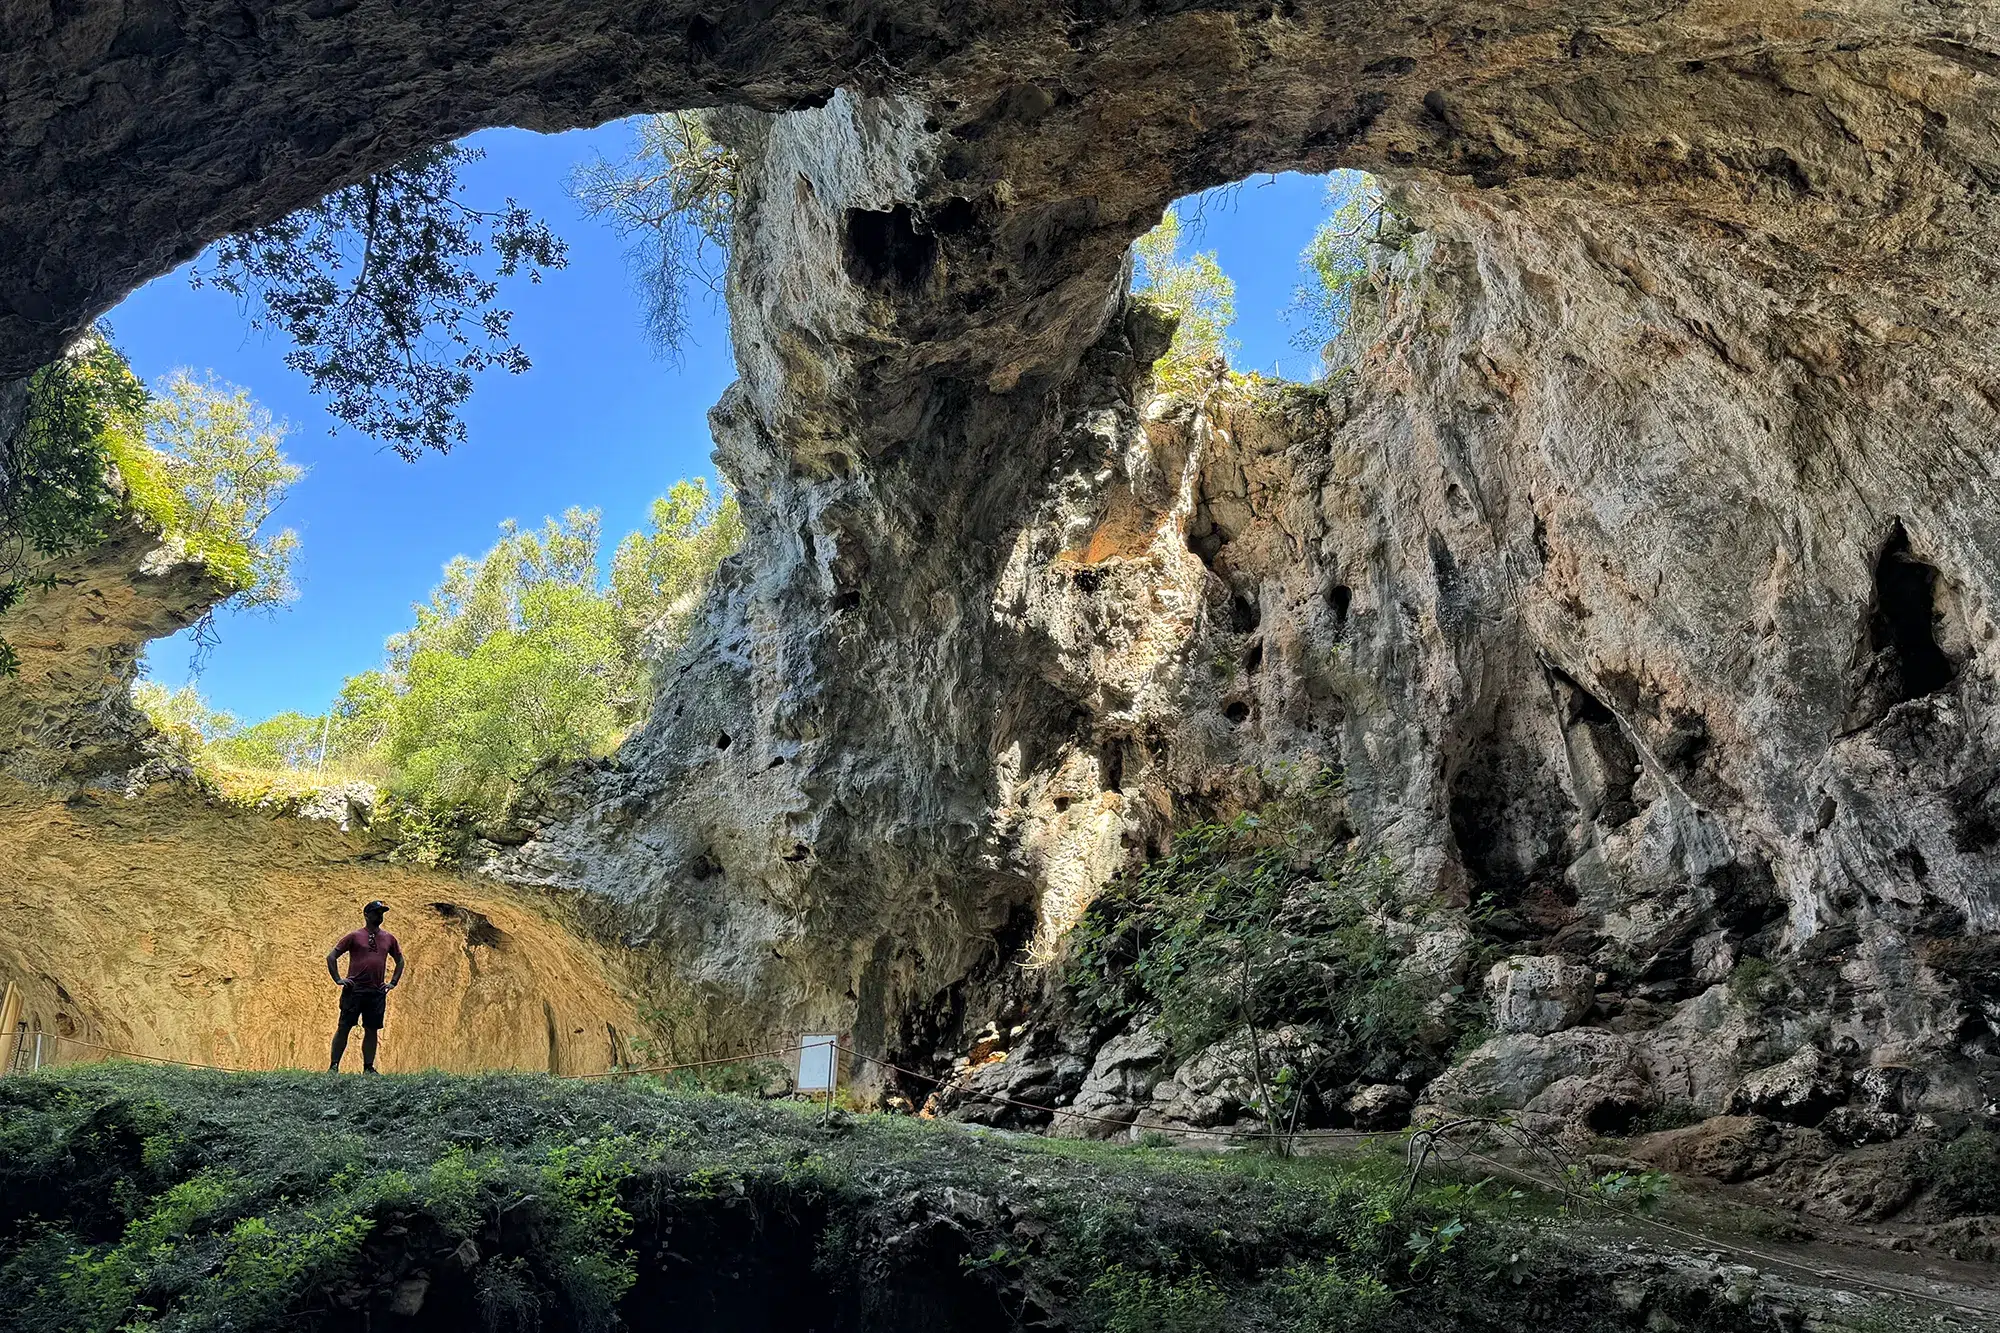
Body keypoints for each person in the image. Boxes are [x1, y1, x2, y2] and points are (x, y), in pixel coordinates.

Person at [326, 900, 404, 1074]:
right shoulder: (354, 936)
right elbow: (331, 957)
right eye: (376, 912)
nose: (380, 915)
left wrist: (393, 982)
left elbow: (400, 960)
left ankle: (368, 1067)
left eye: (382, 912)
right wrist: (338, 979)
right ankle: (334, 1066)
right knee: (344, 1026)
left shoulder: (389, 938)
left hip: (376, 991)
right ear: (366, 915)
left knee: (372, 1029)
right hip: (354, 990)